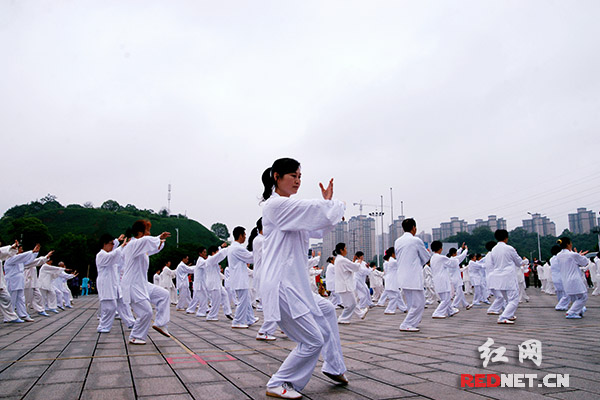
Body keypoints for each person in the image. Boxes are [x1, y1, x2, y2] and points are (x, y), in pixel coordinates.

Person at [260, 158, 347, 399]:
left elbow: (316, 227)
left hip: (294, 284)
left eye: (300, 176)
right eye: (293, 176)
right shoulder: (276, 206)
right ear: (277, 176)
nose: (298, 181)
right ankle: (278, 382)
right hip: (281, 284)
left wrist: (327, 204)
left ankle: (334, 366)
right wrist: (334, 205)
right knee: (312, 340)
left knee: (327, 309)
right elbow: (315, 211)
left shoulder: (289, 210)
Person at [121, 220, 171, 345]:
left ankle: (160, 323)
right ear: (139, 232)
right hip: (133, 285)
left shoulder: (140, 249)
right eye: (147, 231)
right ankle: (135, 336)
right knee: (146, 312)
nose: (149, 234)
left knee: (164, 295)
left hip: (142, 284)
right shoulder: (132, 245)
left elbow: (152, 248)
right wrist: (158, 237)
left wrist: (159, 242)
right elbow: (146, 241)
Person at [394, 218, 431, 332]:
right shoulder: (416, 240)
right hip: (413, 275)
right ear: (414, 228)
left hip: (402, 275)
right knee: (419, 302)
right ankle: (406, 324)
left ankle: (413, 322)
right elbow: (426, 258)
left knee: (411, 303)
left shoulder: (398, 241)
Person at [96, 234, 136, 333]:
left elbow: (115, 254)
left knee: (122, 304)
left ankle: (130, 322)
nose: (113, 246)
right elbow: (113, 255)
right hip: (106, 284)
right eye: (111, 244)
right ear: (105, 244)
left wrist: (119, 243)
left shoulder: (110, 253)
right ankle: (103, 326)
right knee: (110, 307)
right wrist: (121, 246)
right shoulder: (101, 255)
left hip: (114, 283)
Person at [488, 229, 527, 324]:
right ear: (506, 238)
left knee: (507, 299)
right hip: (508, 277)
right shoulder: (509, 248)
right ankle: (503, 317)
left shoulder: (494, 249)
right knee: (514, 299)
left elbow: (493, 263)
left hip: (498, 277)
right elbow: (519, 263)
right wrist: (526, 261)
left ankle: (509, 314)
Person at [4, 243, 44, 322]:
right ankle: (9, 317)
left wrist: (35, 253)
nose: (21, 251)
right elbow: (21, 257)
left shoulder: (19, 261)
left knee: (21, 299)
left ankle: (23, 314)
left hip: (19, 281)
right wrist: (32, 251)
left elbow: (28, 260)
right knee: (12, 299)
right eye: (20, 249)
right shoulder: (10, 259)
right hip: (13, 281)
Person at [228, 226, 257, 329]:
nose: (245, 237)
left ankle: (250, 318)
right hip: (239, 279)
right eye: (244, 235)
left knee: (246, 299)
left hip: (238, 278)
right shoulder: (237, 248)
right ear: (240, 235)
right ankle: (237, 321)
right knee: (243, 301)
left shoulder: (233, 247)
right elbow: (251, 258)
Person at [555, 237, 590, 319]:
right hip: (574, 279)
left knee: (575, 298)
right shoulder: (572, 254)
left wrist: (577, 255)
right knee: (583, 297)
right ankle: (571, 312)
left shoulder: (559, 255)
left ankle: (579, 311)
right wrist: (580, 255)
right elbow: (585, 262)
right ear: (568, 244)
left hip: (565, 280)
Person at [334, 243, 368, 324]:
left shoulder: (339, 259)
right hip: (345, 285)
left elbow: (349, 267)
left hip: (343, 285)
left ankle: (360, 314)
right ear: (341, 250)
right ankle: (343, 318)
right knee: (350, 304)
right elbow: (355, 268)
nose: (346, 250)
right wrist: (359, 262)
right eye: (345, 248)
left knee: (352, 302)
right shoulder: (342, 260)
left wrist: (354, 262)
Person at [429, 241, 458, 319]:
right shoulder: (441, 257)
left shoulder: (433, 258)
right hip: (442, 279)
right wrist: (457, 258)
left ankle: (450, 311)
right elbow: (453, 264)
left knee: (444, 298)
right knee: (446, 299)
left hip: (437, 279)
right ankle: (437, 313)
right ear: (440, 248)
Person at [0, 241, 23, 323]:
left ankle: (11, 317)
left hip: (1, 284)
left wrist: (13, 247)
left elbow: (5, 252)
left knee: (7, 298)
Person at [382, 248, 407, 315]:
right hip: (391, 280)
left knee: (398, 295)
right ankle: (389, 310)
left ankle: (403, 308)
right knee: (394, 297)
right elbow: (401, 263)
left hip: (392, 279)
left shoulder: (391, 260)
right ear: (393, 253)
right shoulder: (393, 261)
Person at [186, 249, 209, 316]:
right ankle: (201, 312)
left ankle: (191, 309)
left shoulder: (200, 261)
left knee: (197, 297)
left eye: (206, 252)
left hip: (200, 283)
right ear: (200, 253)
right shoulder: (201, 261)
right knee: (203, 297)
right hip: (199, 283)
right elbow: (208, 263)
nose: (205, 253)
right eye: (204, 252)